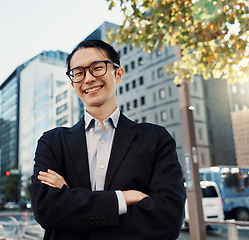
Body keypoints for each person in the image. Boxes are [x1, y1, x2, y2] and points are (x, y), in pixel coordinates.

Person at [28, 39, 186, 239]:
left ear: (118, 74)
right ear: (72, 83)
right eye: (78, 73)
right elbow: (46, 210)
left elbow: (168, 219)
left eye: (97, 68)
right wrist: (125, 198)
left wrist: (71, 204)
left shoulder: (155, 139)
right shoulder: (52, 142)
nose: (88, 79)